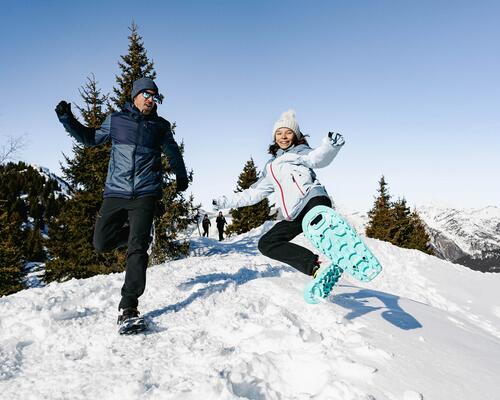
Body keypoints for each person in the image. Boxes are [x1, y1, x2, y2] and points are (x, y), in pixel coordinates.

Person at [55, 77, 189, 328]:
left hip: (146, 194)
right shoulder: (116, 120)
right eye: (146, 94)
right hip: (115, 192)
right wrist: (67, 120)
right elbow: (90, 139)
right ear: (135, 95)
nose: (150, 100)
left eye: (155, 96)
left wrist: (181, 176)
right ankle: (139, 236)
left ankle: (128, 307)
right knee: (101, 242)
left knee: (136, 250)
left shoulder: (160, 126)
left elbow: (172, 152)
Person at [213, 110, 344, 295]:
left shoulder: (300, 152)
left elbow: (318, 158)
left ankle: (341, 245)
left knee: (316, 218)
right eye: (279, 133)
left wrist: (330, 146)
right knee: (266, 243)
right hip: (295, 213)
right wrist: (224, 202)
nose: (283, 137)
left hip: (313, 200)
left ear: (296, 135)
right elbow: (253, 194)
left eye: (288, 132)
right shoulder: (271, 167)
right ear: (274, 137)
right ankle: (315, 268)